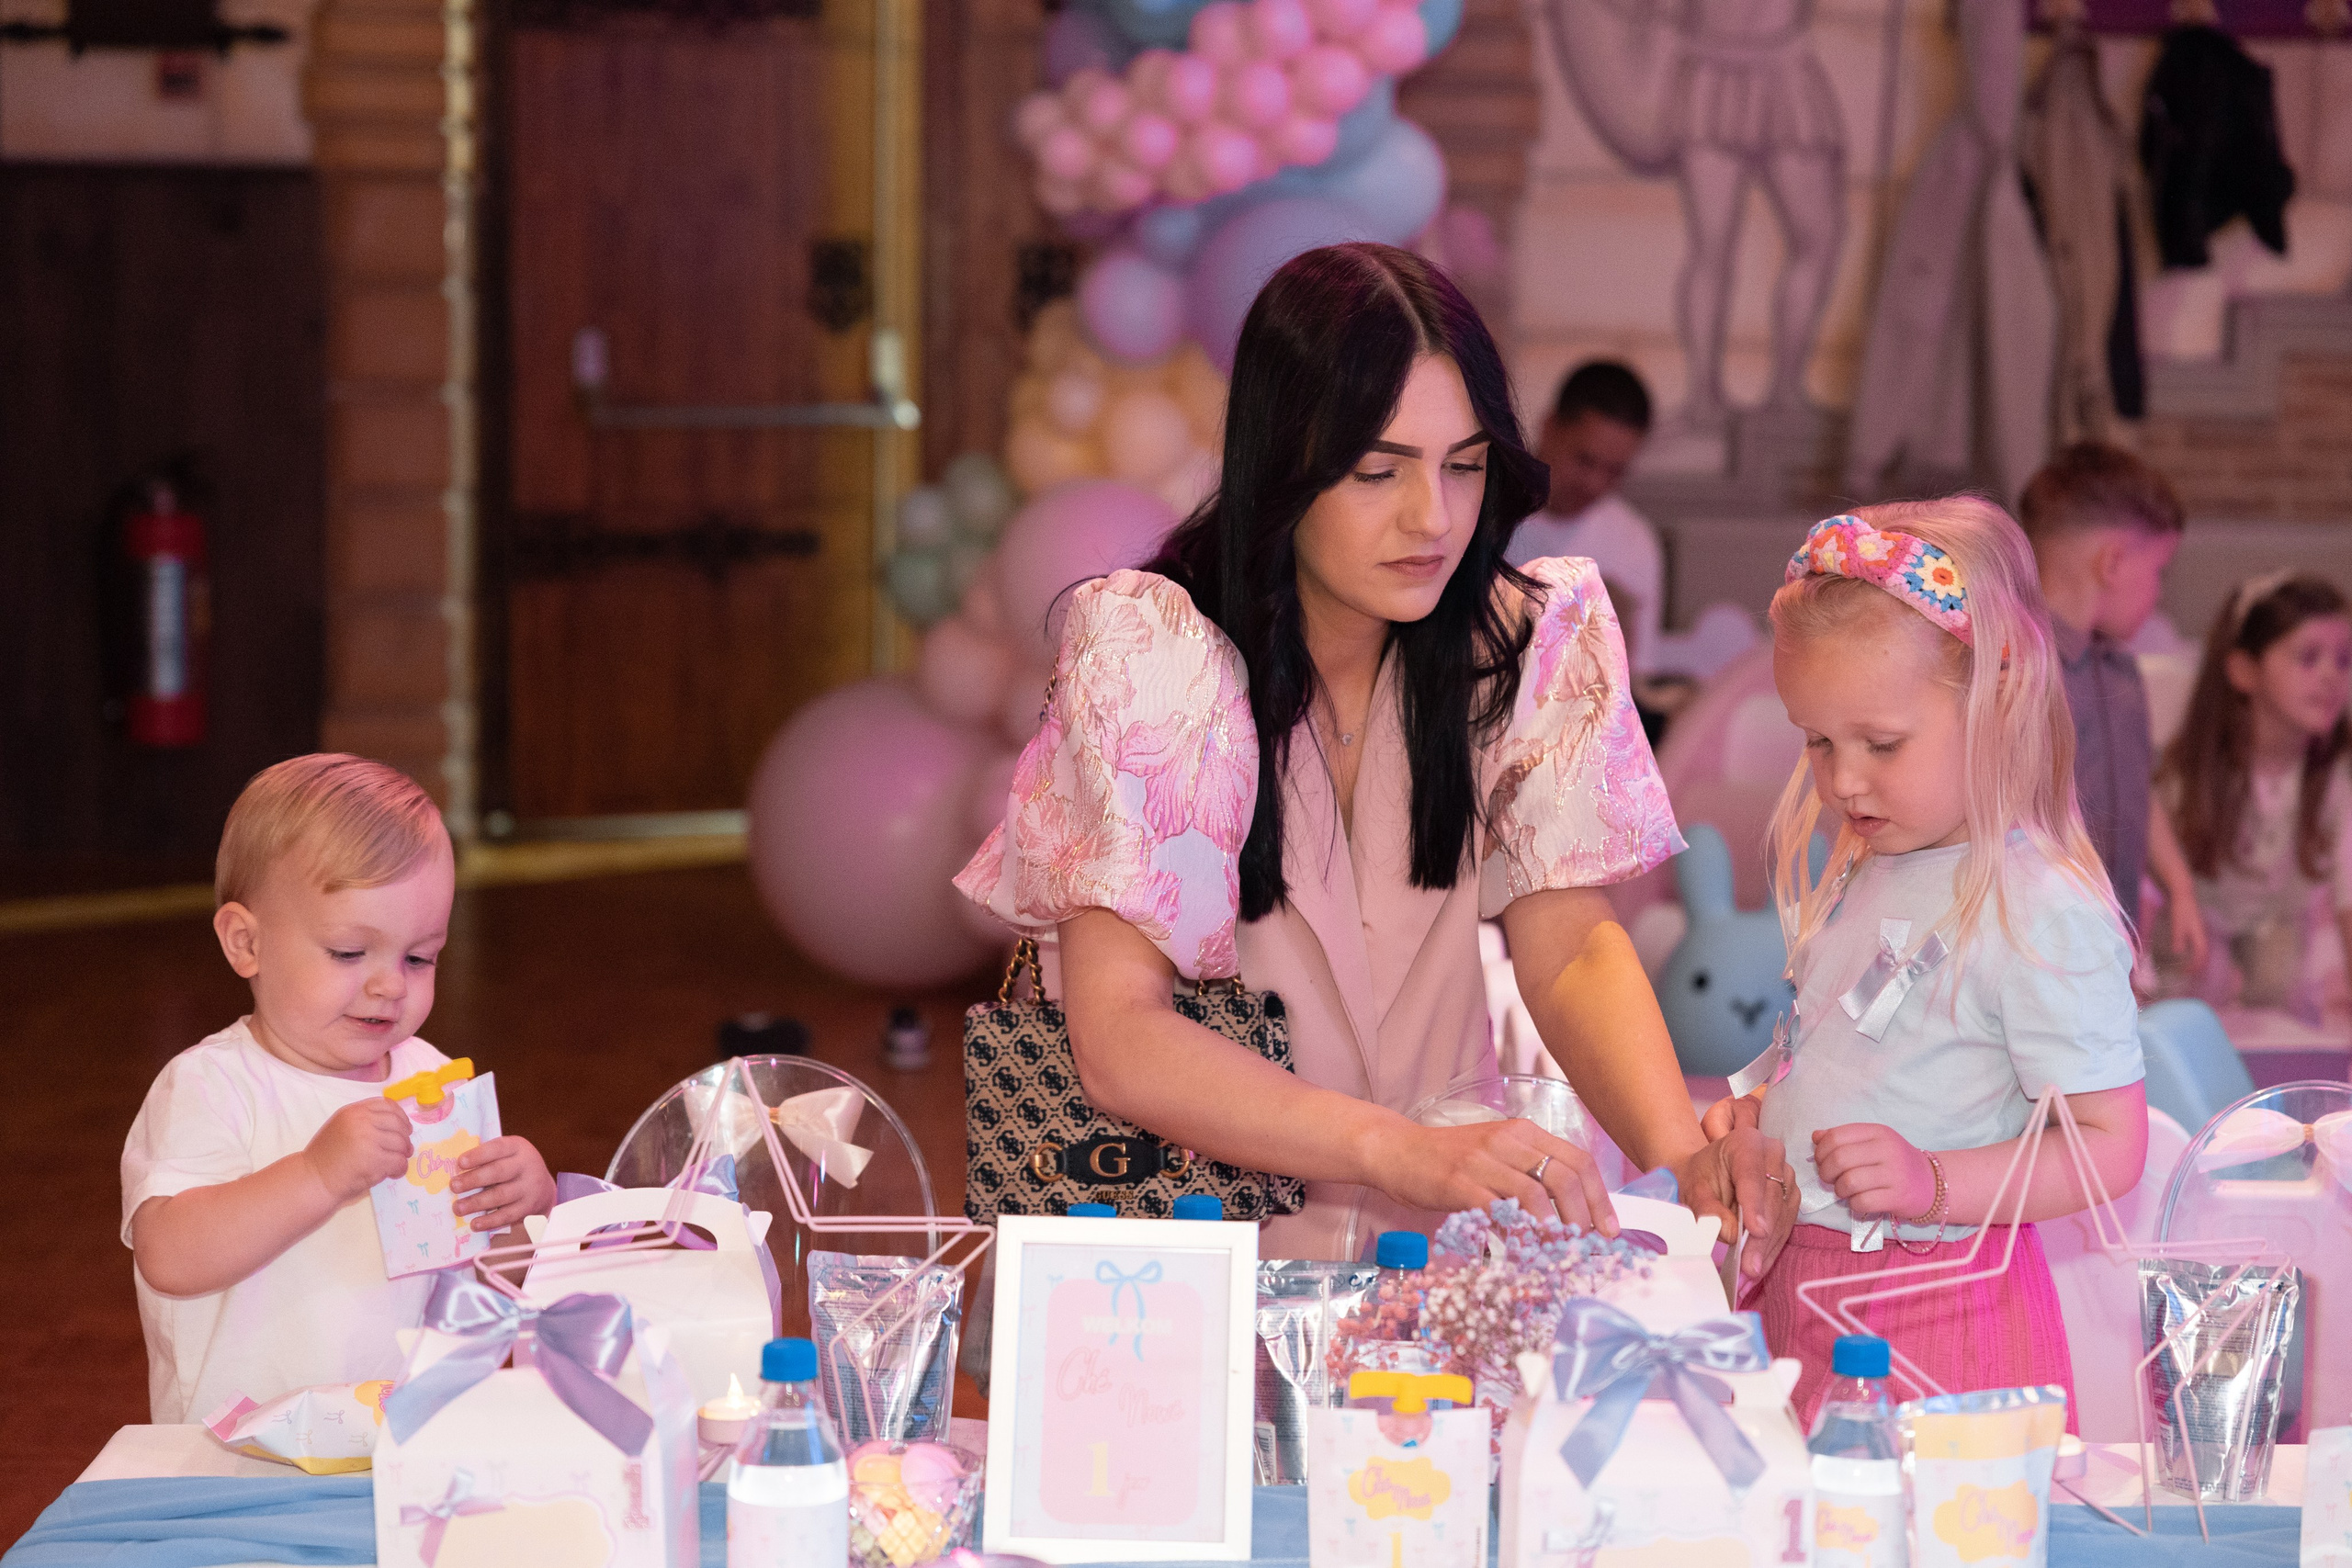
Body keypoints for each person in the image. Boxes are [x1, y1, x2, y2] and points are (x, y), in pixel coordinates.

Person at [957, 243, 1795, 1270]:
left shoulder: (1520, 643)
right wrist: (1394, 1148)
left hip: (1434, 1261)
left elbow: (1569, 940)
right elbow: (1120, 1037)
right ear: (1283, 462)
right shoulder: (1154, 655)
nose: (1432, 518)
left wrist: (1679, 1153)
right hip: (1181, 1267)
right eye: (1376, 471)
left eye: (1465, 464)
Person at [1706, 501, 2149, 1427]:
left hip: (1942, 1315)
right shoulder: (1876, 860)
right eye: (1817, 741)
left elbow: (2112, 1146)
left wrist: (1930, 1183)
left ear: (1998, 699)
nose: (1843, 781)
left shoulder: (2036, 906)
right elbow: (1854, 1051)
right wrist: (1762, 1118)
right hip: (1806, 1291)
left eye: (1881, 743)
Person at [121, 754, 556, 1424]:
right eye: (350, 952)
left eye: (419, 957)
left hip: (402, 1439)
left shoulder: (428, 1080)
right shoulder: (211, 1087)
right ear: (246, 943)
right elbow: (169, 1254)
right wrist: (317, 1175)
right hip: (235, 1454)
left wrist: (523, 1210)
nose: (390, 984)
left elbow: (492, 1274)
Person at [2018, 442, 2207, 976]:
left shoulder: (2122, 674)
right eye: (2160, 571)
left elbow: (2138, 790)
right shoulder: (2017, 670)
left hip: (2106, 942)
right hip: (2036, 941)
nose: (2159, 592)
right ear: (2115, 562)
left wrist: (2179, 885)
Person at [2157, 573, 2352, 1012]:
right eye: (2308, 658)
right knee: (2194, 963)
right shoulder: (2192, 776)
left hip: (2278, 961)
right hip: (2196, 954)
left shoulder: (2332, 785)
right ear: (2245, 671)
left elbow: (2348, 895)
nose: (2330, 676)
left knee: (2279, 969)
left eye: (2343, 660)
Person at [1505, 360, 1667, 677]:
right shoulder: (1484, 513)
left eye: (1614, 471)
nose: (1594, 484)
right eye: (1584, 460)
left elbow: (1632, 680)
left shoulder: (1634, 542)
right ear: (1549, 427)